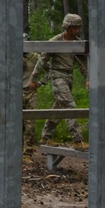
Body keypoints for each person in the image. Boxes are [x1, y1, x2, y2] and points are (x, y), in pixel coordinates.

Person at [30, 13, 88, 149]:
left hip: (69, 76)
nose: (77, 31)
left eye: (78, 28)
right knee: (69, 106)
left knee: (59, 107)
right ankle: (78, 141)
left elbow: (82, 63)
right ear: (67, 27)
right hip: (57, 76)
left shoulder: (77, 43)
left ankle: (45, 137)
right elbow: (42, 60)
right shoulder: (55, 42)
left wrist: (88, 78)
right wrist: (34, 78)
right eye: (74, 28)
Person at [22, 34, 41, 153]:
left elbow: (50, 69)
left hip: (31, 92)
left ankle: (27, 152)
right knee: (16, 124)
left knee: (30, 124)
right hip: (15, 92)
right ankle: (15, 151)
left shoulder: (35, 57)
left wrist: (39, 82)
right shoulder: (11, 55)